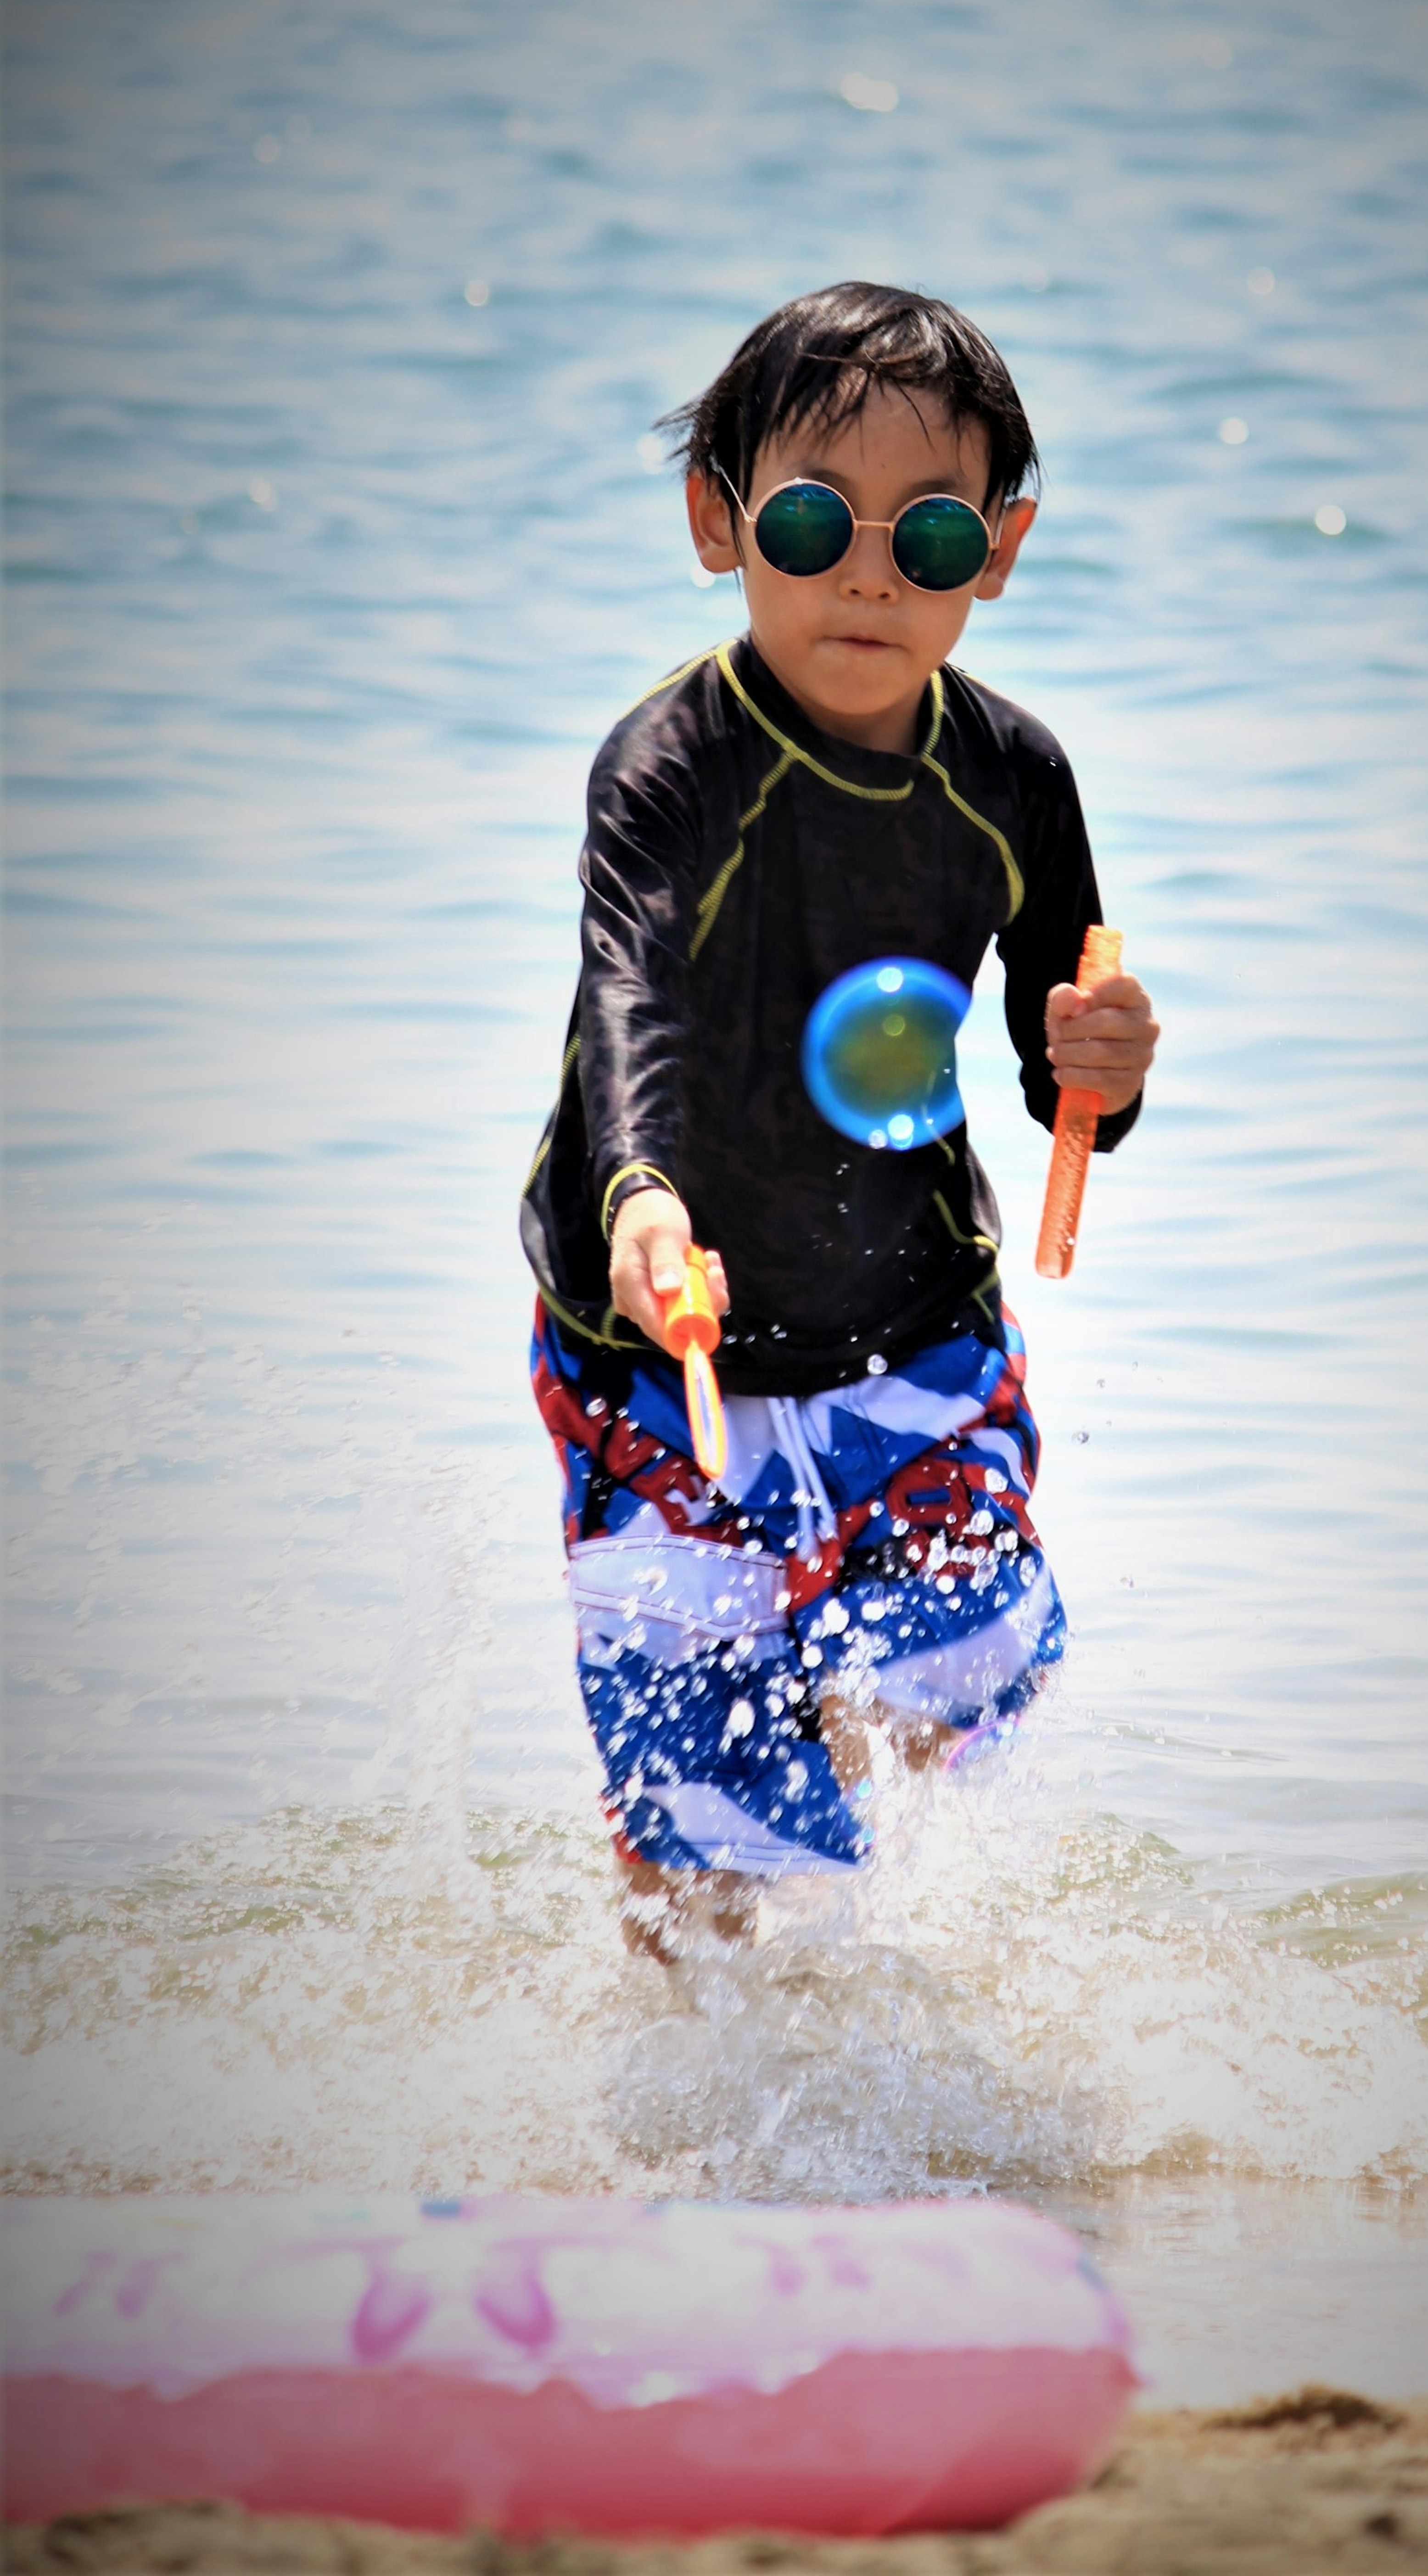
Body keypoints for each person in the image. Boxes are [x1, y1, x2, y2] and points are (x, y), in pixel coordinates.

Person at [522, 283, 1159, 1959]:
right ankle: (697, 2072)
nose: (870, 571)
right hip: (661, 1337)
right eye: (813, 521)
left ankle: (868, 1925)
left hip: (910, 1323)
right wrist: (642, 1195)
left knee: (970, 1662)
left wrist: (1109, 1069)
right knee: (708, 1808)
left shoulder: (1015, 780)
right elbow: (630, 998)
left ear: (998, 556)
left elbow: (1057, 1072)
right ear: (716, 524)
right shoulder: (667, 764)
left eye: (929, 535)